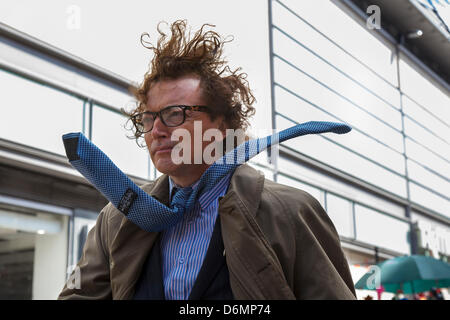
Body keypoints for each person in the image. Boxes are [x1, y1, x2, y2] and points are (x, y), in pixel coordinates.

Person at [58, 20, 356, 300]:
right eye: (147, 119)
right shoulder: (117, 217)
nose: (157, 131)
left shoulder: (291, 212)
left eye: (175, 114)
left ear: (222, 125)